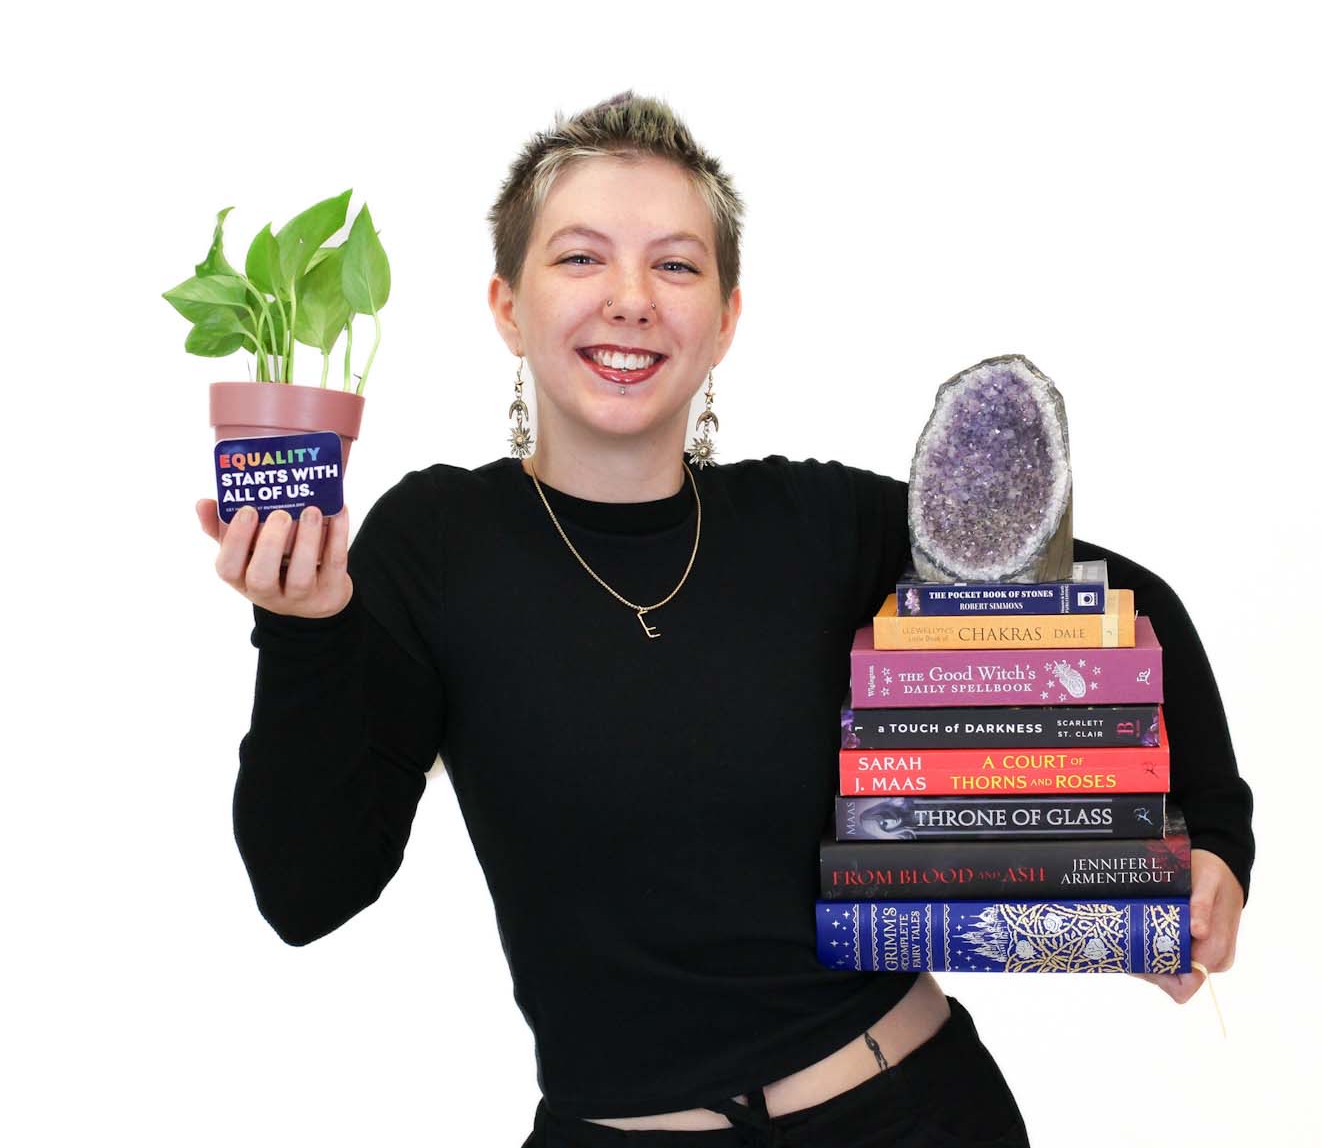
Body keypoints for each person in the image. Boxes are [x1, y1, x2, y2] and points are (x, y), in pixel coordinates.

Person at [198, 91, 1253, 1147]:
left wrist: (1211, 835)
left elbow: (1120, 600)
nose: (629, 298)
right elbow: (308, 891)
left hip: (907, 1109)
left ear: (725, 320)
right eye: (578, 258)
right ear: (506, 306)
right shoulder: (435, 541)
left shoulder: (817, 523)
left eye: (675, 264)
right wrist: (305, 627)